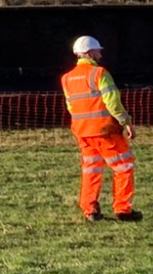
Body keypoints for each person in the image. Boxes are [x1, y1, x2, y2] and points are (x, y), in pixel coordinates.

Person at [60, 35, 140, 222]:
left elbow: (71, 106)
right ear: (89, 53)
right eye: (98, 51)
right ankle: (123, 209)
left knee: (91, 169)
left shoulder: (67, 78)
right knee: (124, 166)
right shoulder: (99, 74)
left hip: (83, 132)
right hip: (105, 131)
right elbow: (112, 101)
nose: (101, 54)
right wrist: (125, 121)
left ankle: (90, 209)